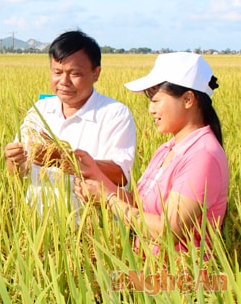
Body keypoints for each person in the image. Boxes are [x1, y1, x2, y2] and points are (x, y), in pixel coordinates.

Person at [74, 52, 229, 255]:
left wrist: (108, 199)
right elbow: (138, 204)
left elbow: (169, 231)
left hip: (181, 281)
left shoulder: (202, 156)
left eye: (156, 101)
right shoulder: (167, 149)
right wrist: (95, 172)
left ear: (188, 99)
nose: (150, 110)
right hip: (149, 274)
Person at [4, 30, 136, 217]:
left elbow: (120, 174)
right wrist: (14, 159)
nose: (64, 81)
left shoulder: (114, 114)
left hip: (94, 230)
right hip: (39, 226)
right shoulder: (40, 110)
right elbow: (17, 172)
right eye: (57, 72)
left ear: (96, 73)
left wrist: (60, 158)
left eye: (74, 73)